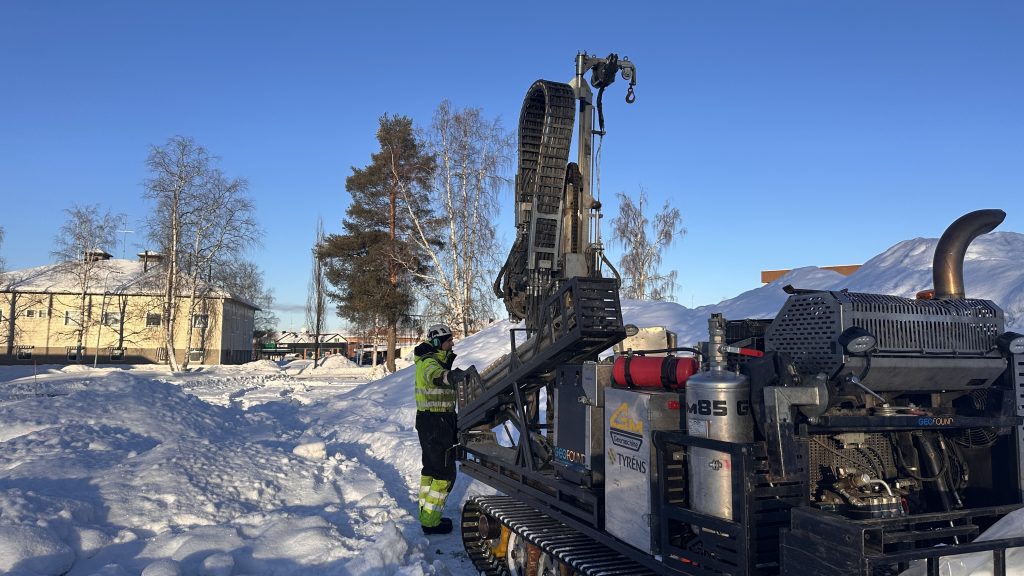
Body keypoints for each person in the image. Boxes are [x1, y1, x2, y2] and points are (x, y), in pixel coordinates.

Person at [414, 323, 468, 535]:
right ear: (437, 343)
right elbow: (434, 376)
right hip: (436, 424)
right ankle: (431, 521)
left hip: (431, 422)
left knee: (430, 470)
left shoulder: (430, 359)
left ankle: (425, 513)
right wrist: (452, 377)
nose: (452, 343)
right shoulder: (429, 362)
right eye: (449, 341)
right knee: (444, 473)